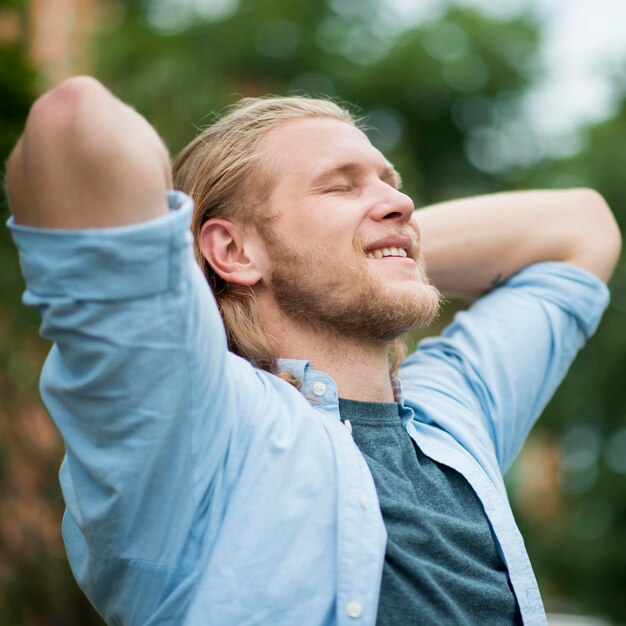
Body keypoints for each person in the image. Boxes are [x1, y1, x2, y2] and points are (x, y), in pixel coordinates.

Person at [5, 76, 621, 626]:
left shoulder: (454, 415)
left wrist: (380, 243)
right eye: (338, 187)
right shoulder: (195, 425)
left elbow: (582, 229)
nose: (401, 203)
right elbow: (75, 122)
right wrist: (193, 272)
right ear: (234, 253)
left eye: (390, 184)